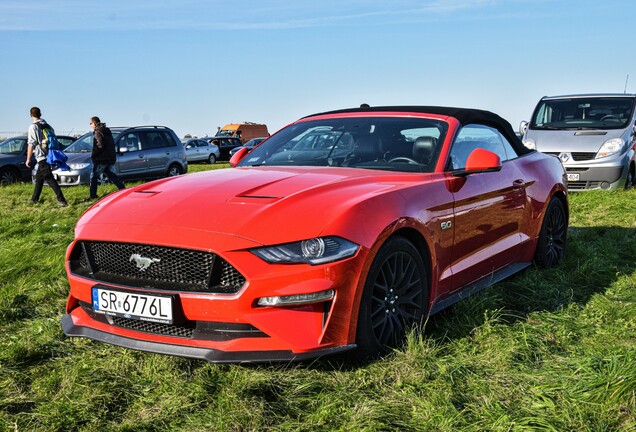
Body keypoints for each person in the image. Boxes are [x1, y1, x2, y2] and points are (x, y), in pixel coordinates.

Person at [26, 107, 68, 206]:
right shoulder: (47, 125)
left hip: (41, 155)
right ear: (40, 114)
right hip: (49, 154)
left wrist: (28, 159)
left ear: (30, 115)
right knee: (39, 177)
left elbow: (31, 143)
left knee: (48, 177)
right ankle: (34, 199)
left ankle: (62, 200)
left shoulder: (33, 127)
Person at [89, 116, 125, 200]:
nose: (90, 125)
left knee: (93, 176)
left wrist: (93, 155)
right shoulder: (106, 131)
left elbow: (100, 145)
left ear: (94, 123)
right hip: (110, 157)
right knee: (112, 175)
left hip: (102, 159)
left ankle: (93, 196)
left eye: (90, 123)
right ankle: (123, 190)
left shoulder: (97, 132)